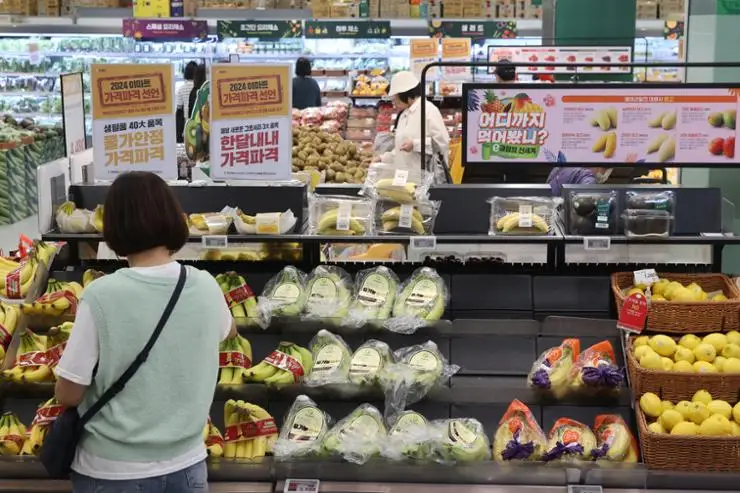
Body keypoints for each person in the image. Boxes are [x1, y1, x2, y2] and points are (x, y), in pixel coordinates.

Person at [55, 171, 235, 492]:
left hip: (112, 471)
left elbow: (69, 392)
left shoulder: (101, 295)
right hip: (188, 465)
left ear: (114, 226)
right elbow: (228, 330)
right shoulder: (205, 285)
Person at [380, 71, 450, 171]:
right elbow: (400, 149)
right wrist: (383, 158)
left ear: (407, 96)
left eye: (395, 98)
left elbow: (442, 142)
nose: (393, 102)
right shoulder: (404, 114)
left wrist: (415, 144)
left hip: (425, 179)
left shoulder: (428, 110)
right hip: (405, 177)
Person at [547, 167, 613, 195]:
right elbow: (585, 205)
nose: (604, 174)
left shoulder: (560, 166)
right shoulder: (589, 179)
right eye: (604, 170)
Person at [176, 61, 198, 143]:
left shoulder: (181, 89)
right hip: (200, 121)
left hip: (187, 122)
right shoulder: (201, 87)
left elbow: (179, 108)